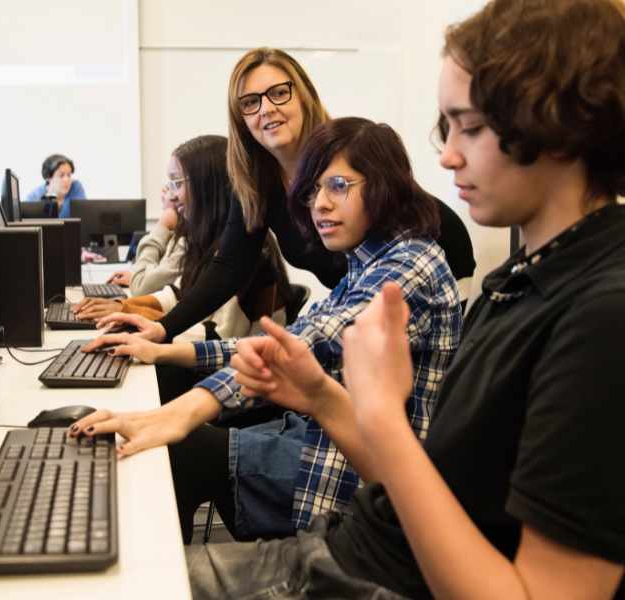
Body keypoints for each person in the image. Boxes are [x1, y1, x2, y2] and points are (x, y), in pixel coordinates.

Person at [158, 0, 625, 598]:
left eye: (471, 126)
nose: (448, 155)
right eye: (446, 128)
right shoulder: (517, 284)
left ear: (560, 123)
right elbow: (438, 488)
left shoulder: (601, 319)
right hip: (353, 547)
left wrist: (379, 414)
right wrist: (325, 397)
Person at [70, 117, 463, 545]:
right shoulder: (367, 260)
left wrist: (176, 414)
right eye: (313, 190)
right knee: (174, 441)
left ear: (385, 184)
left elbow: (300, 347)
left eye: (337, 186)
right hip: (317, 435)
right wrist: (167, 352)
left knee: (177, 453)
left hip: (356, 474)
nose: (319, 205)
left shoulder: (405, 268)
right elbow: (288, 338)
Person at [96, 47, 475, 344]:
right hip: (350, 312)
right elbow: (228, 269)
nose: (267, 109)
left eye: (279, 93)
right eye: (251, 102)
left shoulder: (345, 154)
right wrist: (164, 329)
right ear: (241, 117)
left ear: (303, 95)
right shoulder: (256, 182)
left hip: (437, 262)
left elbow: (379, 269)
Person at [73, 135, 291, 342]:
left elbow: (216, 335)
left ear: (209, 187)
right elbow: (176, 297)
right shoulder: (203, 238)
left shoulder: (242, 251)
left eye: (178, 183)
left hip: (236, 370)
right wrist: (123, 305)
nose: (171, 195)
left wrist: (130, 313)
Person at [25, 153, 86, 218]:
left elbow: (81, 216)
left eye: (69, 175)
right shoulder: (34, 196)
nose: (67, 180)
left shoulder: (76, 187)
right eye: (61, 175)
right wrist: (50, 197)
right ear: (48, 178)